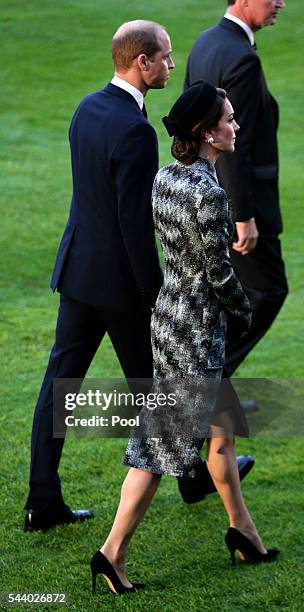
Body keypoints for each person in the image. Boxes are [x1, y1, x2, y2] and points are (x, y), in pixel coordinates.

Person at [90, 82, 279, 596]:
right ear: (206, 133)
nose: (235, 127)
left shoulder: (165, 179)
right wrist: (243, 310)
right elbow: (219, 273)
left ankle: (244, 531)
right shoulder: (210, 194)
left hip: (170, 314)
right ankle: (111, 554)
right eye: (229, 120)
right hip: (197, 328)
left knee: (221, 427)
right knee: (160, 449)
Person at [24, 20, 175, 532]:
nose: (172, 66)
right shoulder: (136, 130)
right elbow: (135, 224)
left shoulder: (87, 108)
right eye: (166, 58)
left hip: (78, 274)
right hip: (118, 286)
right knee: (154, 388)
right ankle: (199, 480)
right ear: (143, 62)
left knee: (58, 386)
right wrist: (153, 292)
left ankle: (41, 501)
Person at [184, 0, 288, 378]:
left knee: (230, 295)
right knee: (267, 290)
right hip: (239, 206)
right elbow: (234, 144)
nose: (281, 3)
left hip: (205, 193)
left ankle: (212, 391)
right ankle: (207, 384)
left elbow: (191, 125)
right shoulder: (243, 59)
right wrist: (243, 216)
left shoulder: (206, 42)